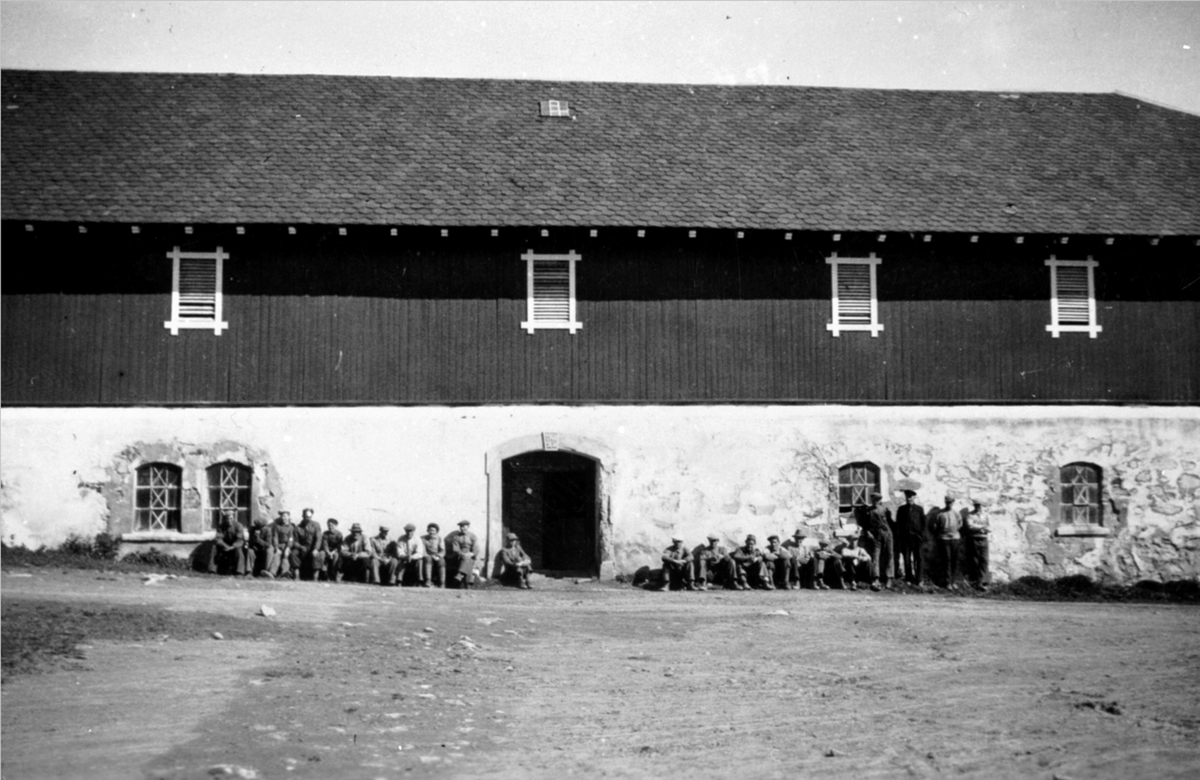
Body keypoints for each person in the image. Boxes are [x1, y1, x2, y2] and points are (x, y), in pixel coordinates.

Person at [858, 492, 894, 591]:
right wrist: (868, 532)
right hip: (875, 534)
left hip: (887, 533)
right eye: (874, 500)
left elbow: (889, 522)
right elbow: (865, 524)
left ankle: (889, 578)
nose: (875, 502)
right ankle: (876, 578)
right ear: (871, 500)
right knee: (875, 556)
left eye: (877, 500)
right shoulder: (868, 511)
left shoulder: (884, 510)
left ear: (880, 501)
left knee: (889, 555)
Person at [894, 490, 926, 585]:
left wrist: (921, 534)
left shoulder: (919, 509)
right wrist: (900, 536)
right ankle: (909, 578)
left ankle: (919, 579)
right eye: (907, 496)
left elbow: (923, 522)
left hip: (917, 538)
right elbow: (898, 524)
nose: (909, 498)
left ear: (914, 497)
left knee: (919, 558)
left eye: (911, 496)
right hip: (905, 538)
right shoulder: (901, 509)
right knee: (907, 558)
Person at [931, 495, 962, 589]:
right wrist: (942, 533)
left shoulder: (956, 513)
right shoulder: (940, 513)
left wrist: (954, 532)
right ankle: (947, 582)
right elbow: (934, 526)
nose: (949, 504)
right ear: (945, 502)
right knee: (947, 560)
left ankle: (954, 581)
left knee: (955, 560)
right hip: (944, 539)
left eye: (951, 502)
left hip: (955, 538)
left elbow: (960, 524)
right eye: (947, 502)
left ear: (953, 503)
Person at [961, 499, 990, 590]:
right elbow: (970, 526)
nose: (978, 507)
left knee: (985, 560)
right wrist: (982, 527)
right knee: (975, 561)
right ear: (974, 506)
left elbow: (990, 527)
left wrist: (978, 527)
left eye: (980, 505)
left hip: (984, 538)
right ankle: (976, 582)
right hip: (973, 539)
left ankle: (985, 583)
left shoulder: (986, 515)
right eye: (976, 505)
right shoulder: (970, 515)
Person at [207, 509, 246, 576]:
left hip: (234, 546)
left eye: (230, 518)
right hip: (224, 546)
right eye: (227, 519)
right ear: (224, 519)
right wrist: (224, 546)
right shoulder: (221, 526)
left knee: (239, 551)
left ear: (233, 518)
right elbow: (218, 538)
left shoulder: (238, 526)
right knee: (214, 548)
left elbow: (240, 540)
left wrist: (232, 547)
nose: (229, 520)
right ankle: (212, 570)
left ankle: (239, 571)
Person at [445, 520, 480, 589]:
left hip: (470, 555)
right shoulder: (456, 537)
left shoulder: (473, 536)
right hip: (459, 556)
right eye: (461, 527)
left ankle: (459, 574)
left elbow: (476, 547)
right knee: (467, 560)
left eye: (464, 526)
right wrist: (462, 554)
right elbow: (456, 549)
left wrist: (471, 554)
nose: (463, 528)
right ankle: (468, 584)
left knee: (467, 560)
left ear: (468, 527)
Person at [293, 508, 323, 581]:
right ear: (302, 516)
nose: (308, 519)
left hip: (313, 547)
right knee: (294, 553)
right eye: (306, 517)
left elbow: (318, 539)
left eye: (310, 517)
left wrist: (316, 549)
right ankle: (297, 575)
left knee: (317, 555)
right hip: (302, 547)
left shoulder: (316, 525)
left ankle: (315, 577)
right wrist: (300, 547)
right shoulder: (298, 527)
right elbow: (295, 541)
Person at [265, 510, 297, 579]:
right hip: (279, 545)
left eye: (285, 516)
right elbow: (275, 537)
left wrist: (288, 548)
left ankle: (284, 573)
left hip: (288, 546)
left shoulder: (291, 527)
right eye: (282, 516)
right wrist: (276, 548)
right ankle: (272, 573)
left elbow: (291, 539)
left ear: (288, 517)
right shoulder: (277, 526)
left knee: (286, 556)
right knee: (277, 555)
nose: (283, 518)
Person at [420, 523, 445, 588]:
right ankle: (428, 581)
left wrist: (438, 556)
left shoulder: (439, 538)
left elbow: (443, 550)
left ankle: (442, 582)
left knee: (442, 562)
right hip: (427, 555)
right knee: (428, 559)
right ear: (427, 530)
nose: (431, 532)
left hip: (437, 555)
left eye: (433, 530)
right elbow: (423, 550)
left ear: (436, 531)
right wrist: (428, 556)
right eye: (430, 530)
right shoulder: (423, 538)